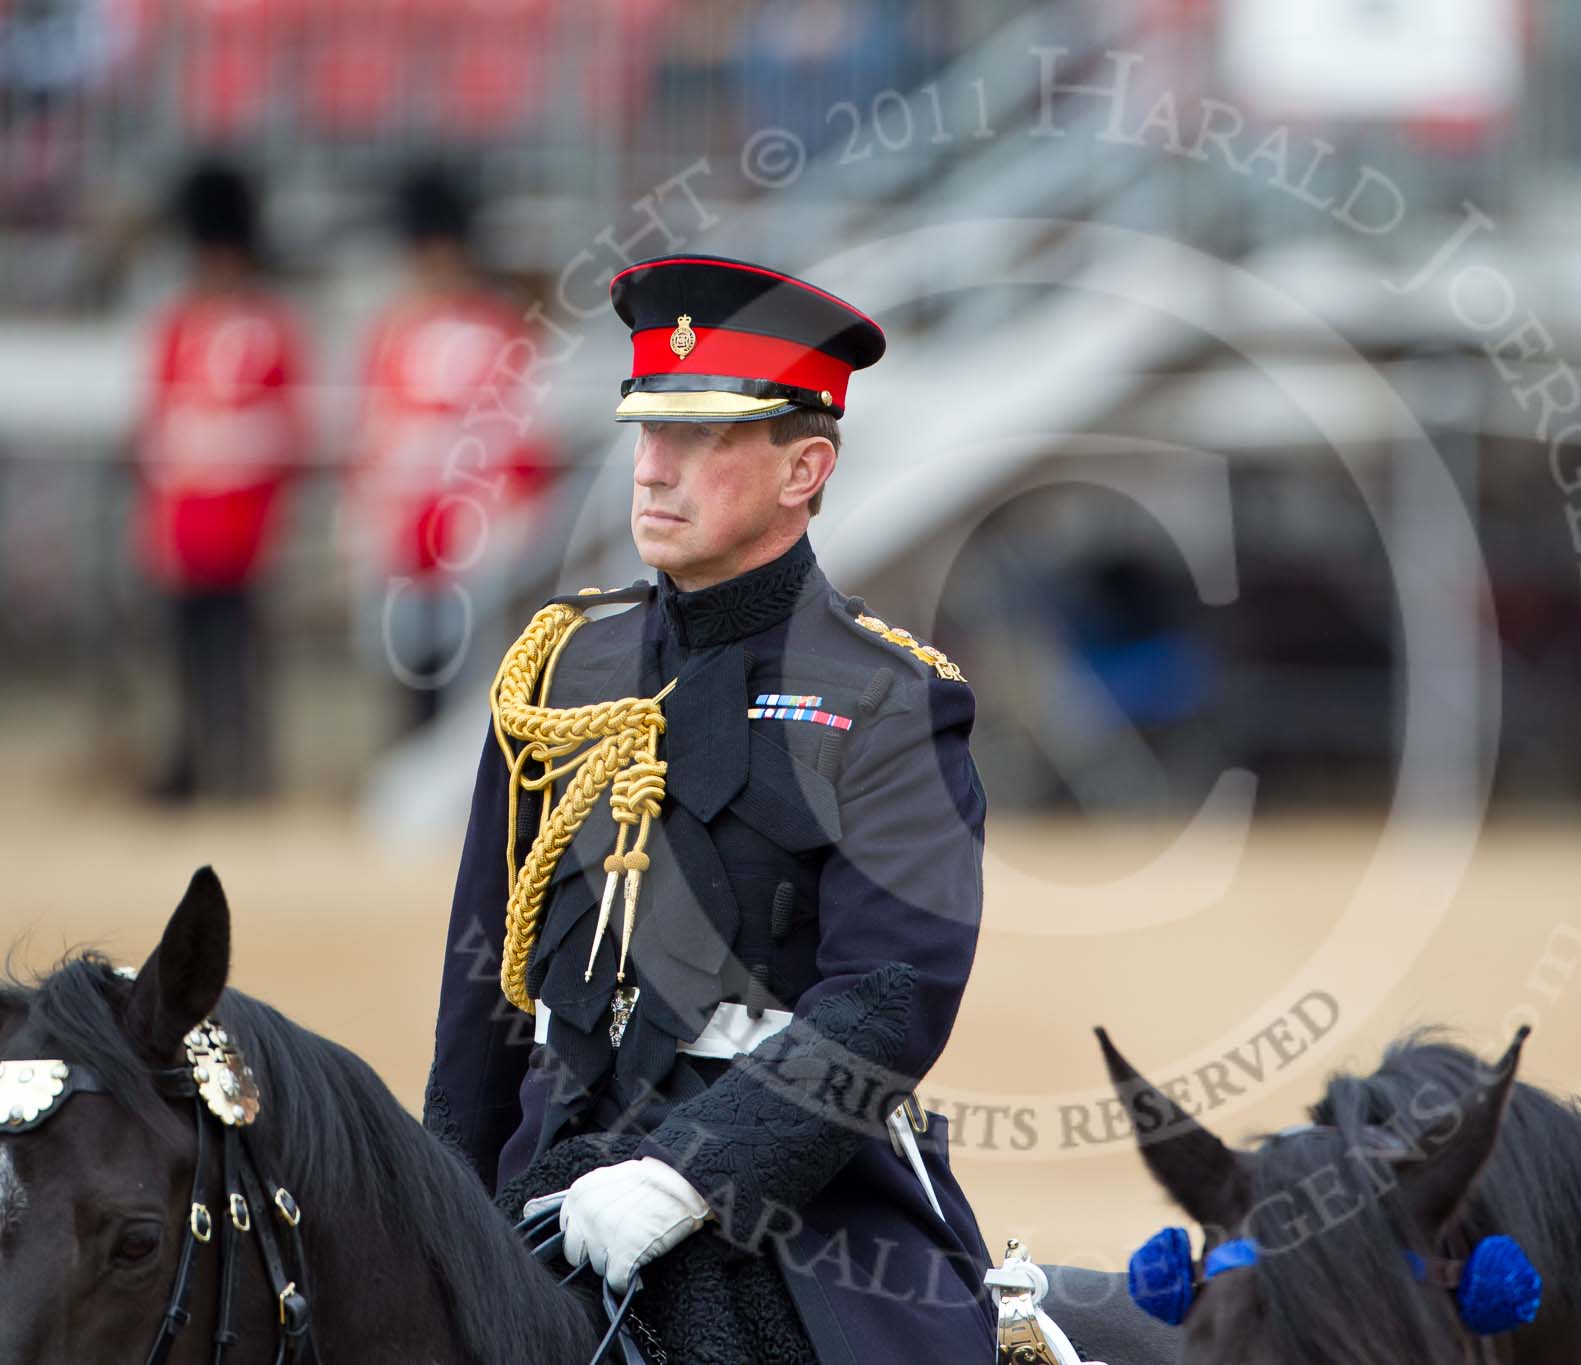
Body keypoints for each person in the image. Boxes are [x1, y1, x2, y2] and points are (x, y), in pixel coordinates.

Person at [424, 253, 997, 1362]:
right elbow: (479, 991)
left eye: (701, 439)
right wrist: (441, 1205)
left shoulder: (890, 702)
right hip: (546, 1179)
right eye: (649, 434)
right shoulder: (556, 671)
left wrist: (691, 1176)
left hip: (794, 1214)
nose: (654, 472)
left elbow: (884, 1005)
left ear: (803, 468)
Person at [346, 164, 551, 732]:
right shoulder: (392, 329)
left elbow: (522, 431)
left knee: (477, 678)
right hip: (407, 528)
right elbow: (374, 430)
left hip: (474, 528)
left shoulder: (501, 327)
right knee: (407, 671)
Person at [135, 159, 306, 801]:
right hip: (185, 523)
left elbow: (283, 428)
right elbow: (158, 424)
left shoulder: (268, 326)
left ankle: (243, 771)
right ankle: (191, 765)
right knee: (184, 658)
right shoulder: (177, 323)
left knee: (241, 657)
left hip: (242, 523)